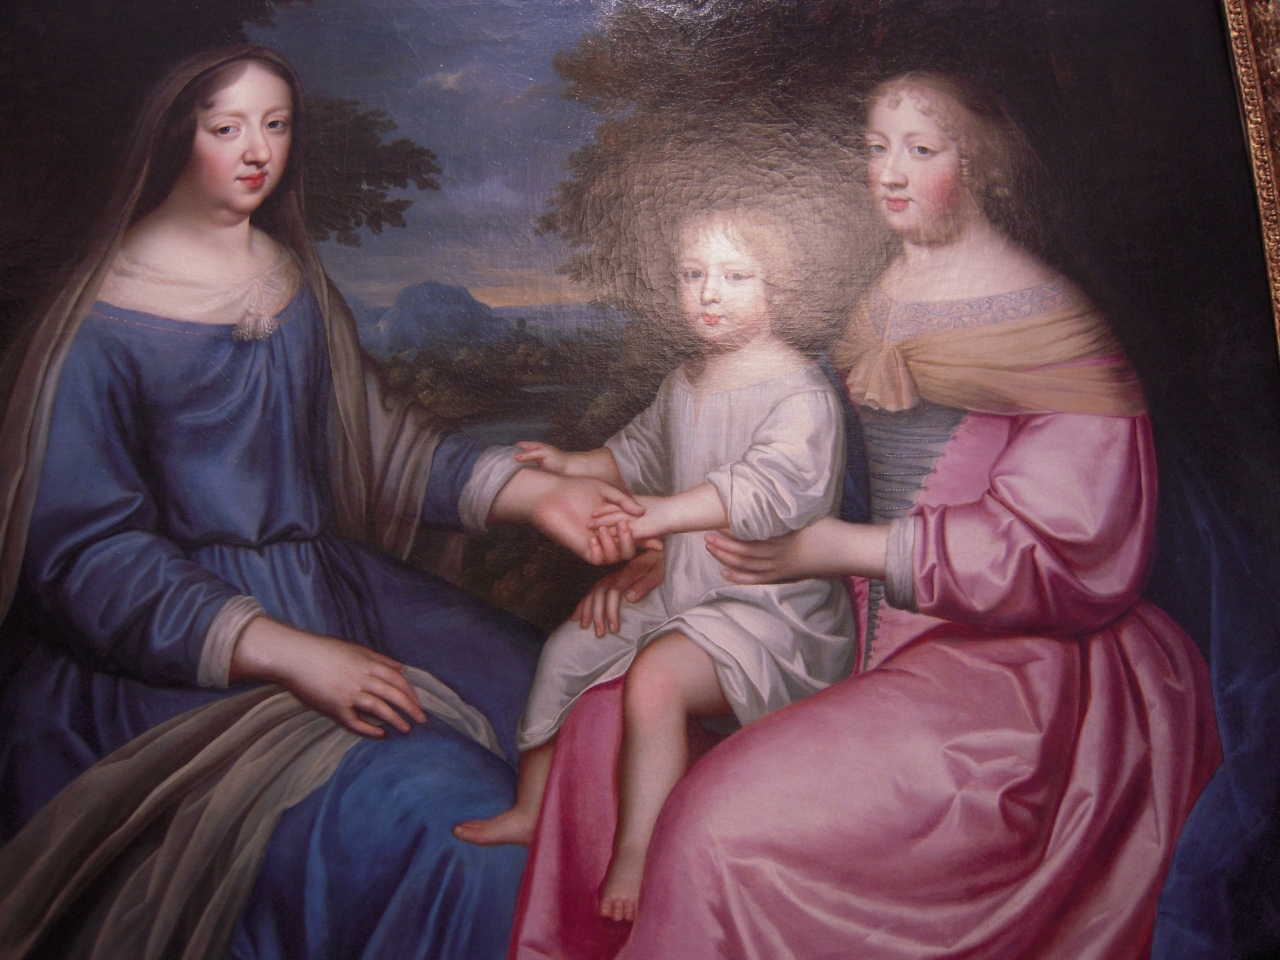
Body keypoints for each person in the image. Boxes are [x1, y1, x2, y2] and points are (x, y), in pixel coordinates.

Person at [508, 71, 1221, 960]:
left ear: (981, 164)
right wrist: (672, 553)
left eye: (921, 149)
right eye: (877, 147)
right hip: (846, 618)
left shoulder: (1052, 324)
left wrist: (836, 546)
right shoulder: (880, 295)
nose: (889, 172)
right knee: (597, 733)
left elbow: (1065, 549)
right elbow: (801, 466)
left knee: (715, 824)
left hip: (1006, 667)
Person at [0, 46, 640, 960]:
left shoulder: (291, 282)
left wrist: (537, 494)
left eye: (277, 125)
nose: (257, 150)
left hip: (332, 587)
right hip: (182, 656)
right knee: (452, 819)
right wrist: (288, 652)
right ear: (175, 135)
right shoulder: (102, 319)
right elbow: (86, 557)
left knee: (579, 711)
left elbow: (380, 447)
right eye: (227, 128)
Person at [454, 211, 854, 921]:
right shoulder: (685, 381)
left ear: (780, 289)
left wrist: (663, 516)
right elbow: (638, 455)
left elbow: (767, 490)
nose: (709, 292)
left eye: (735, 276)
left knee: (657, 678)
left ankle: (639, 849)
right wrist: (572, 464)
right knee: (569, 646)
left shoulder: (799, 391)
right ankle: (531, 807)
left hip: (770, 611)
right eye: (692, 275)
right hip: (685, 591)